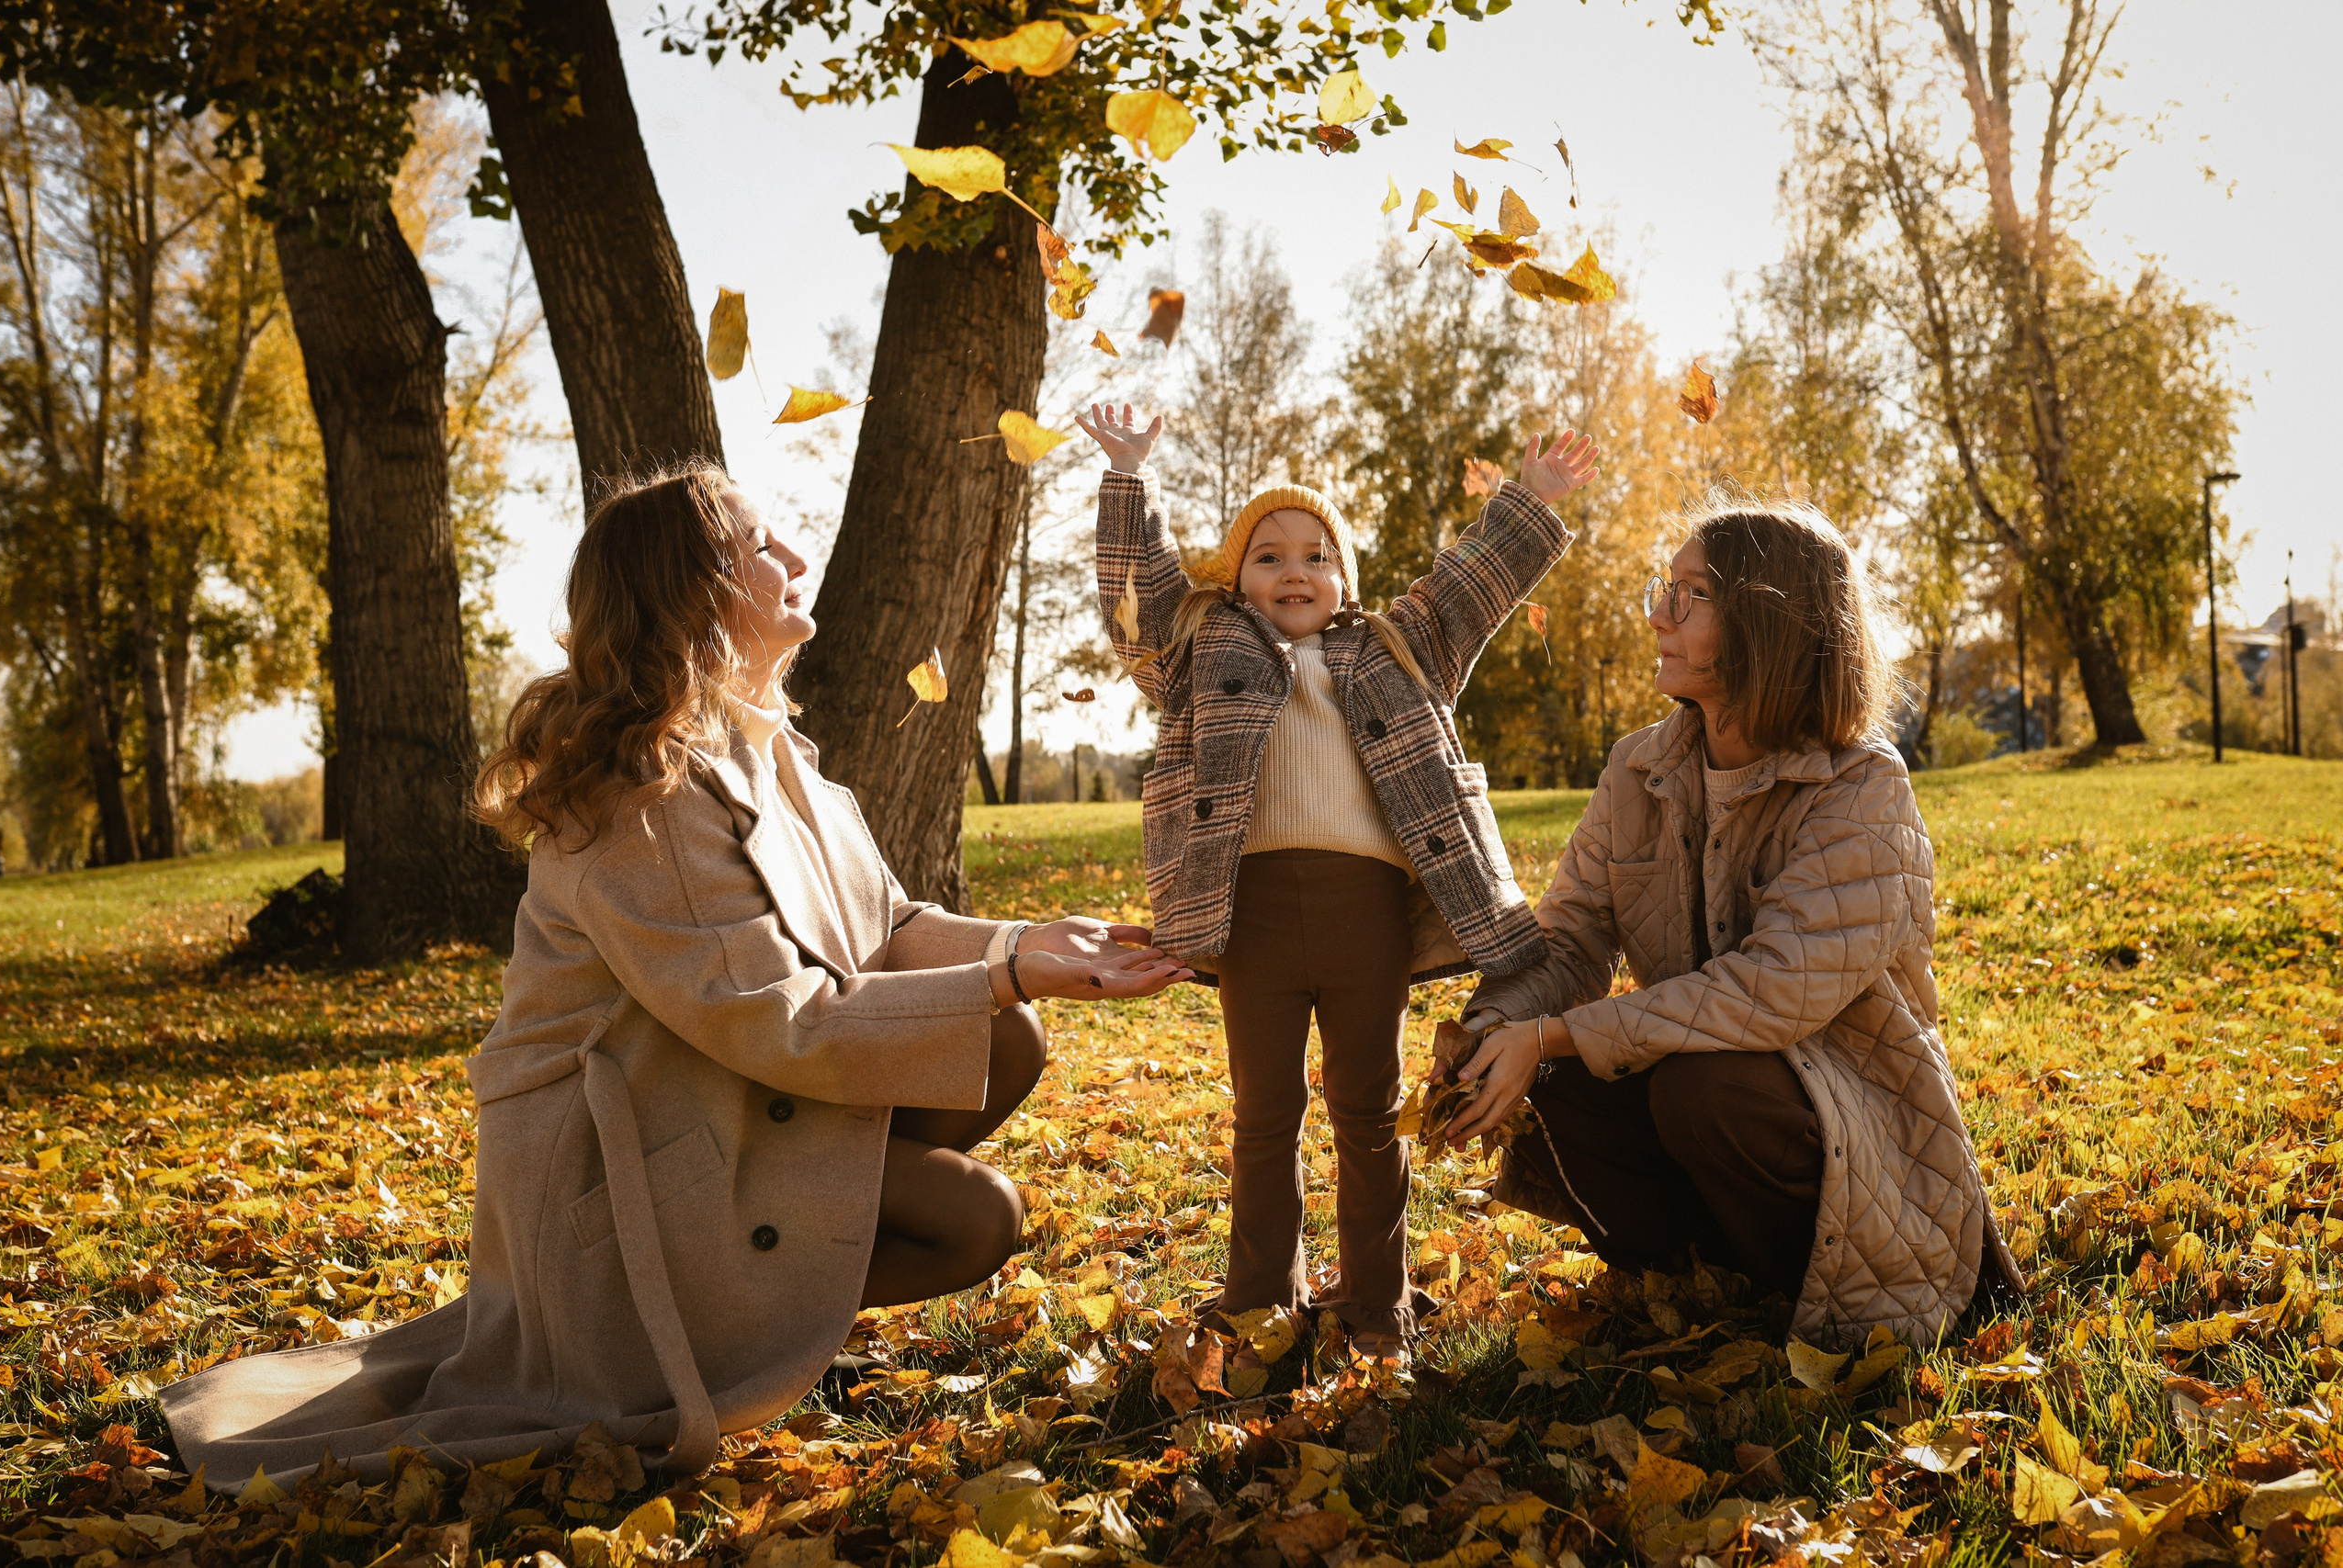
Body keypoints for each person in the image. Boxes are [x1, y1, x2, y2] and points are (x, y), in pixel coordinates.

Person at [158, 463, 1190, 1488]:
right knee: (978, 1210)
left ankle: (764, 1318)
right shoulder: (640, 794)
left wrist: (1030, 943)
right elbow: (783, 1020)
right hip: (625, 1162)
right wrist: (1013, 973)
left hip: (718, 1101)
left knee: (1006, 1038)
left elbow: (892, 925)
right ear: (696, 596)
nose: (797, 558)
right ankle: (719, 1341)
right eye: (762, 546)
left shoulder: (774, 753)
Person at [1078, 402, 1600, 1363]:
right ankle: (1257, 1301)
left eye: (1318, 555)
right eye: (1268, 555)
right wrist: (1127, 477)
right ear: (1234, 579)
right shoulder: (1202, 648)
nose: (1296, 570)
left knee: (1370, 1111)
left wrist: (1529, 499)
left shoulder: (1396, 647)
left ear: (1346, 580)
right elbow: (1138, 596)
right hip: (1252, 922)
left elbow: (1468, 587)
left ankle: (1375, 1303)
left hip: (1370, 922)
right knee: (1263, 1115)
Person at [1443, 493, 2019, 1345]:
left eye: (1689, 595)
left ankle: (1846, 1294)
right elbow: (1570, 935)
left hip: (1857, 1118)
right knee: (1553, 1080)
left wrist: (1556, 1034)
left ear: (1765, 621)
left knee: (1698, 1085)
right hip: (1701, 1090)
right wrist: (1494, 1030)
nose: (1658, 615)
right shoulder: (1637, 769)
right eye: (1663, 589)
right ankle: (1710, 1280)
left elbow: (1771, 991)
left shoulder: (1860, 785)